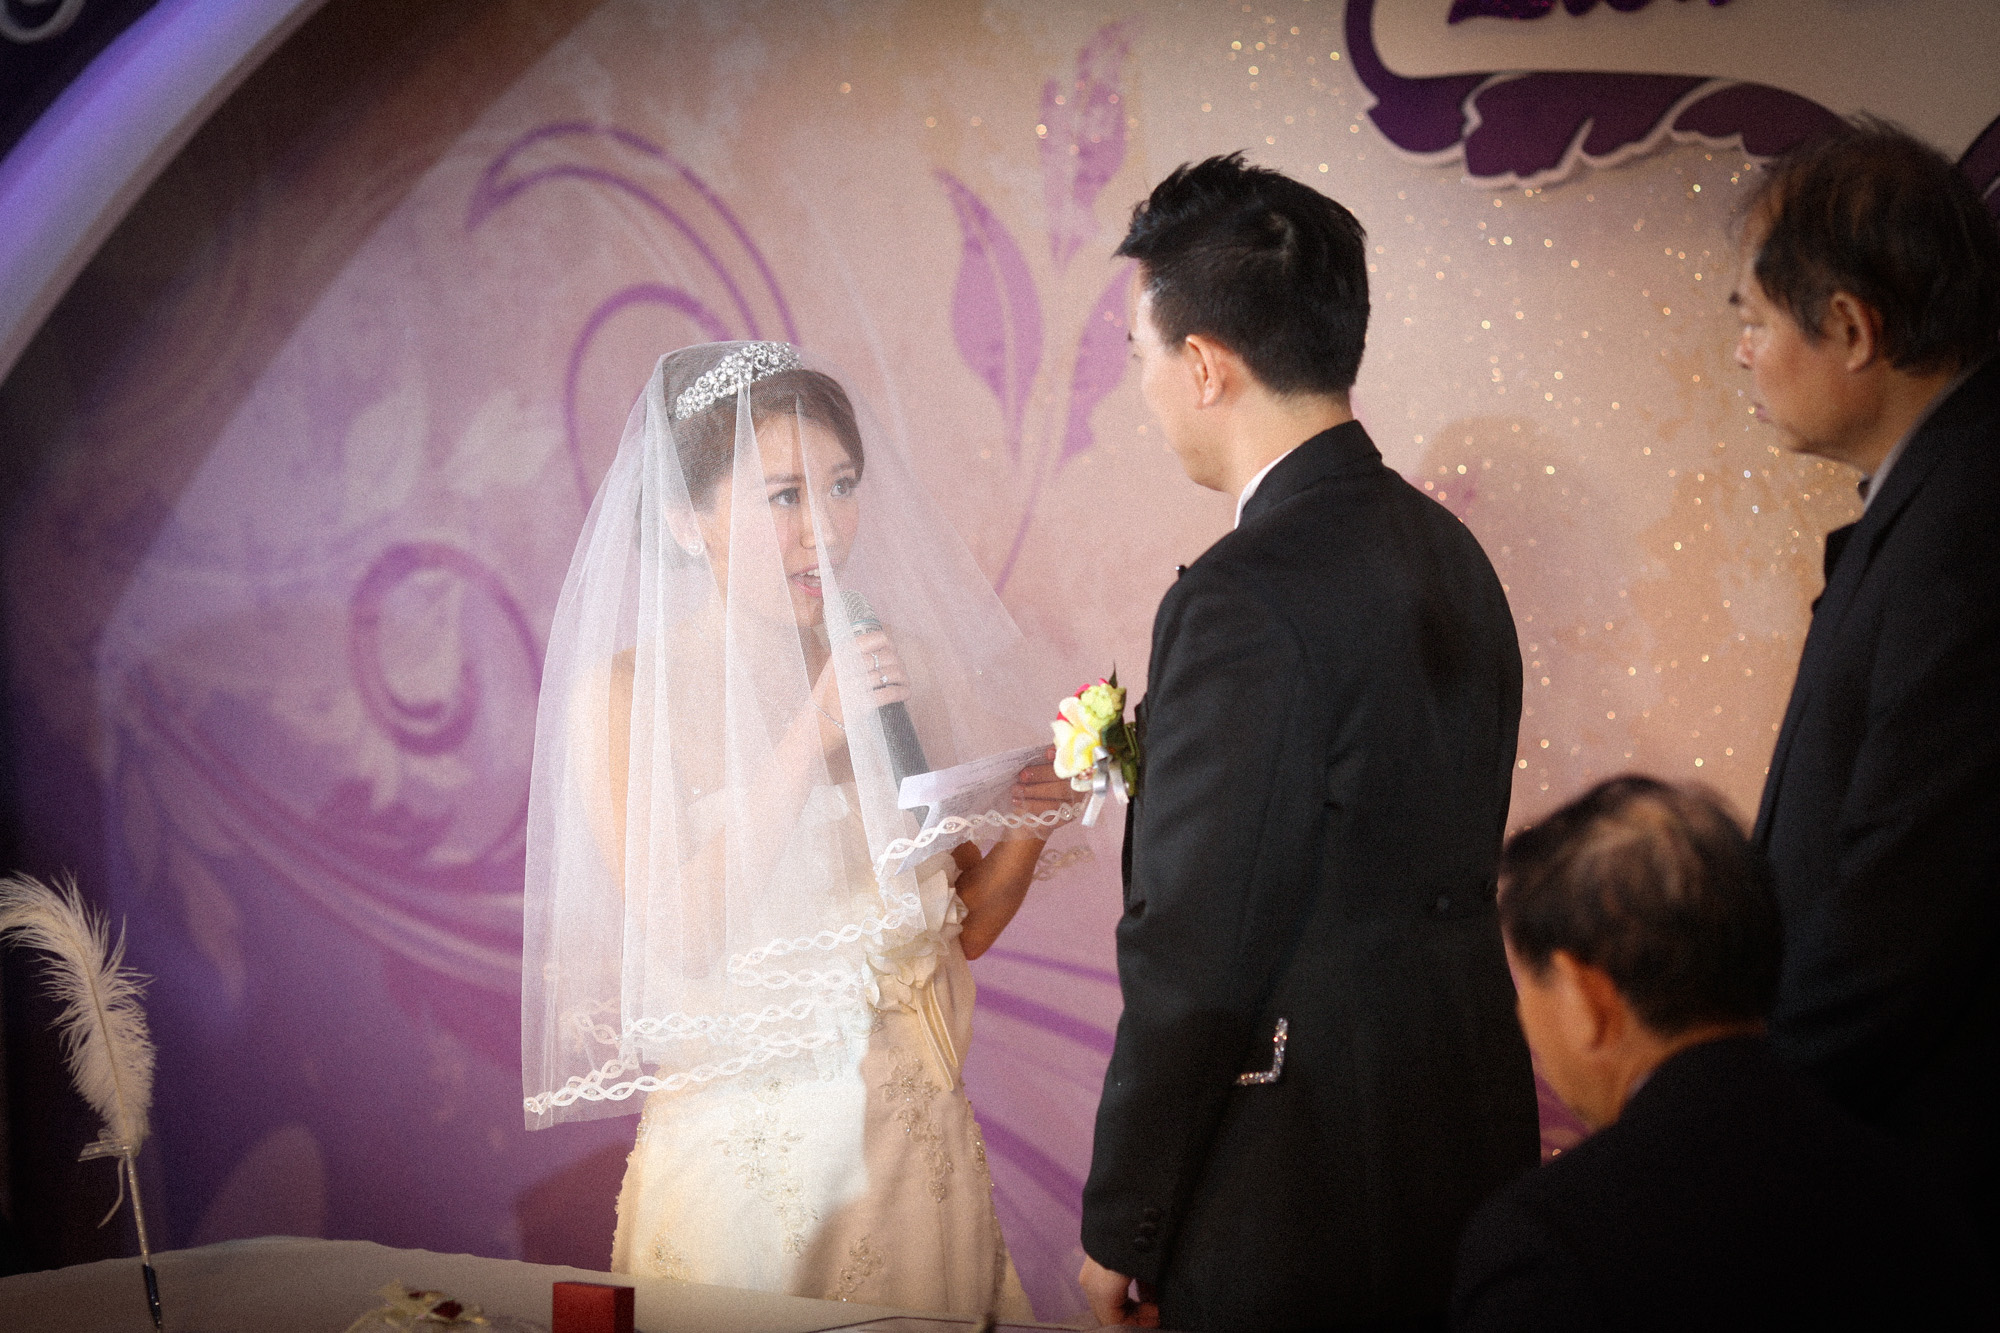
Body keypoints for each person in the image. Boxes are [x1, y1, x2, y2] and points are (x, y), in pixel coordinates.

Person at [1079, 154, 1540, 1331]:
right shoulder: (1449, 549)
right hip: (1466, 1118)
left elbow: (1194, 946)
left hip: (1299, 1170)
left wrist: (1127, 1219)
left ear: (1203, 364)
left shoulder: (1240, 595)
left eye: (1137, 355)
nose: (1141, 389)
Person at [520, 342, 1075, 1317]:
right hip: (752, 1178)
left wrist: (1031, 822)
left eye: (842, 485)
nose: (825, 526)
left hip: (917, 1160)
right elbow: (681, 933)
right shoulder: (624, 695)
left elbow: (961, 922)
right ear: (688, 519)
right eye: (783, 495)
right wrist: (812, 732)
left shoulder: (886, 663)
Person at [1728, 118, 2000, 1256]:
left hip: (1921, 1166)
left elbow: (1906, 901)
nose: (1742, 352)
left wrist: (1741, 1126)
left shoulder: (1969, 520)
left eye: (1751, 319)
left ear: (1849, 327)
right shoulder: (1935, 491)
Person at [1454, 776, 1991, 1330]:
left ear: (1586, 997)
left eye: (1528, 986)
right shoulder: (1919, 1201)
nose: (1523, 1017)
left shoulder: (1549, 1246)